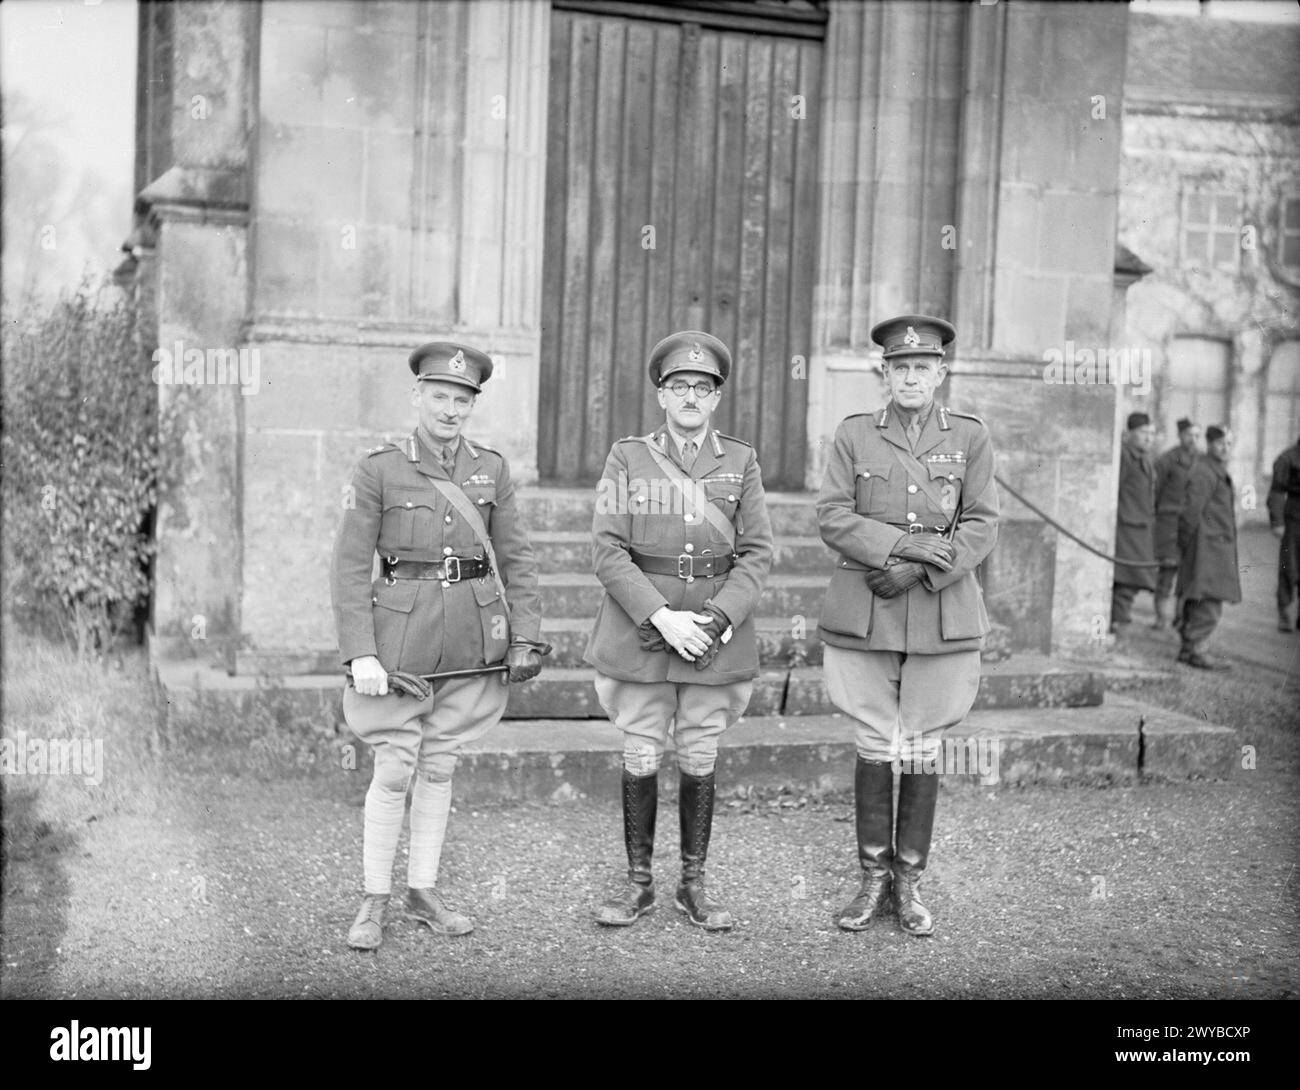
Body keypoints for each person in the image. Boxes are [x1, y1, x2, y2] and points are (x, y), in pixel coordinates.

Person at [331, 342, 549, 950]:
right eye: (440, 397)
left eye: (462, 399)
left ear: (472, 404)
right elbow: (350, 565)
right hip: (400, 638)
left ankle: (422, 890)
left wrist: (526, 634)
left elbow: (518, 557)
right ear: (417, 397)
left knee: (441, 760)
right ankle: (374, 896)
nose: (450, 409)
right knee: (395, 765)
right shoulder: (378, 468)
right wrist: (360, 651)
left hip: (472, 637)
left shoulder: (491, 468)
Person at [816, 314, 998, 937]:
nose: (912, 377)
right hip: (866, 605)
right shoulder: (854, 435)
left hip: (939, 610)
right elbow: (833, 516)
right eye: (900, 368)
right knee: (872, 740)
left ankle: (909, 883)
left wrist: (919, 572)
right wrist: (904, 547)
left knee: (922, 743)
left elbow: (981, 523)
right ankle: (871, 881)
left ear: (941, 373)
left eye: (923, 367)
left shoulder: (970, 437)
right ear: (884, 375)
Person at [586, 331, 773, 932]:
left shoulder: (740, 461)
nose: (690, 396)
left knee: (699, 751)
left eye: (702, 387)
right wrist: (661, 615)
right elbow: (607, 549)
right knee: (641, 750)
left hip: (713, 630)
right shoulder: (627, 457)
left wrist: (718, 618)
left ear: (716, 398)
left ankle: (693, 885)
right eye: (679, 386)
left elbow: (759, 551)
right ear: (662, 395)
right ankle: (639, 884)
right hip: (645, 626)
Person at [1175, 425, 1240, 670]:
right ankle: (1196, 650)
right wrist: (1185, 543)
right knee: (1208, 601)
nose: (1226, 448)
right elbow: (1190, 511)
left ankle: (1188, 649)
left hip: (1213, 546)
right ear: (1209, 444)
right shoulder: (1204, 471)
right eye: (1221, 443)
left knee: (1201, 597)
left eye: (1229, 444)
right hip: (1206, 548)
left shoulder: (1214, 469)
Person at [1110, 412, 1157, 635]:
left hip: (1139, 529)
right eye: (1143, 433)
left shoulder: (1143, 459)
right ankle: (1119, 623)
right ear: (1128, 434)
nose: (1148, 438)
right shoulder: (1124, 457)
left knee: (1132, 579)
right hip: (1126, 529)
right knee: (1126, 579)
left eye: (1151, 433)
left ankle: (1120, 621)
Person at [1153, 418, 1201, 629]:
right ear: (1180, 436)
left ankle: (1182, 618)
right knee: (1167, 570)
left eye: (1197, 435)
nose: (1193, 439)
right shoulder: (1166, 460)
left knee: (1190, 573)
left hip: (1192, 524)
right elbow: (1154, 492)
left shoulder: (1202, 462)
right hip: (1169, 523)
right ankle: (1162, 618)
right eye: (1189, 435)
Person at [1267, 435, 1300, 632]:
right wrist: (1277, 521)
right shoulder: (1287, 458)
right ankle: (1285, 613)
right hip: (1294, 520)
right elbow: (1277, 492)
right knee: (1289, 568)